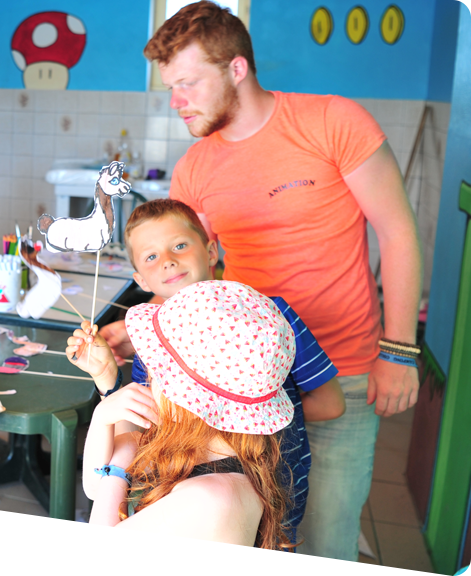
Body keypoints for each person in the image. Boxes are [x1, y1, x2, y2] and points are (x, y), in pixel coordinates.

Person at [142, 3, 423, 575]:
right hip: (243, 383)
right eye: (172, 87)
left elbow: (398, 233)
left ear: (237, 69)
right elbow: (185, 278)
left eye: (188, 83)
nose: (177, 100)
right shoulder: (194, 169)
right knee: (256, 544)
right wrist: (145, 331)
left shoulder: (333, 122)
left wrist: (399, 350)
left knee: (327, 541)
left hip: (340, 366)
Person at [70, 199, 344, 574]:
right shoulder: (194, 445)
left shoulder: (268, 321)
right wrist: (108, 389)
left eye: (161, 373)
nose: (166, 260)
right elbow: (102, 476)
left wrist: (112, 423)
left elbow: (102, 547)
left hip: (264, 536)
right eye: (150, 256)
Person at [72, 281, 301, 575]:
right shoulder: (196, 443)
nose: (149, 378)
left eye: (156, 371)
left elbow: (102, 553)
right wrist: (106, 407)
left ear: (187, 401)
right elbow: (95, 487)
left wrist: (120, 455)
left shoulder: (215, 500)